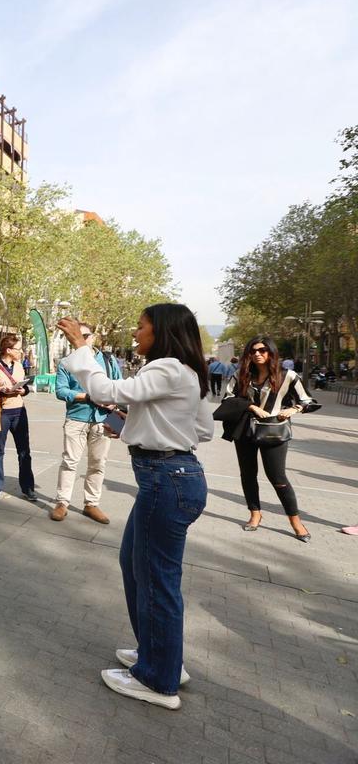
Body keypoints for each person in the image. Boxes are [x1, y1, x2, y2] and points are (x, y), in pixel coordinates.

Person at [57, 304, 213, 711]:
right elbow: (202, 429)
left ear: (160, 332)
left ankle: (158, 679)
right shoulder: (184, 373)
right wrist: (142, 420)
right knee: (137, 566)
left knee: (156, 579)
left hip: (166, 481)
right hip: (173, 478)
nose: (135, 333)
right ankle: (161, 656)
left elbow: (104, 391)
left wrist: (80, 346)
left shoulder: (167, 368)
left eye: (141, 327)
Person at [219, 337, 316, 542]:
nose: (257, 354)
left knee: (278, 477)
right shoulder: (241, 374)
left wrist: (293, 409)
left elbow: (307, 400)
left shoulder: (287, 376)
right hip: (245, 429)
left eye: (262, 350)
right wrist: (251, 406)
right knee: (248, 474)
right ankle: (255, 514)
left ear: (271, 352)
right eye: (253, 351)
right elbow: (227, 398)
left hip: (275, 430)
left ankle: (295, 521)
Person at [52, 322, 120, 523]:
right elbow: (61, 391)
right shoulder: (66, 362)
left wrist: (113, 402)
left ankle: (91, 504)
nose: (79, 340)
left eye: (85, 335)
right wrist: (87, 396)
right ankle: (62, 502)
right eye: (75, 336)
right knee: (69, 462)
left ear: (93, 336)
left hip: (103, 419)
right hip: (76, 419)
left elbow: (118, 385)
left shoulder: (107, 360)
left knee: (98, 464)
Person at [0, 333, 35, 501]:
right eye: (18, 349)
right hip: (1, 413)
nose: (21, 352)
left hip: (19, 412)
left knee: (24, 451)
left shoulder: (20, 366)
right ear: (8, 350)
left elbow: (26, 387)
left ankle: (28, 488)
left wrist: (24, 390)